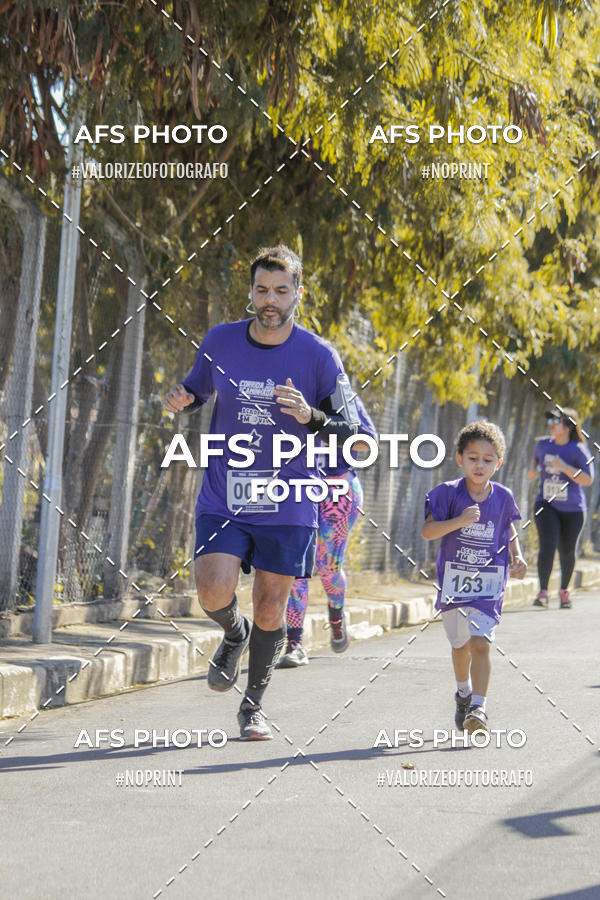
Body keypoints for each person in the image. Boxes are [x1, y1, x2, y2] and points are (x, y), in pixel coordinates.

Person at [164, 244, 371, 740]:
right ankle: (233, 636)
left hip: (292, 498)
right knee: (212, 587)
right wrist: (183, 398)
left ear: (298, 293)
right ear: (252, 291)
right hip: (226, 492)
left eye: (281, 290)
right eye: (262, 289)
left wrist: (311, 417)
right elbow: (197, 388)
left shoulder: (319, 356)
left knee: (271, 605)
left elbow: (359, 435)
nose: (270, 299)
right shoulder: (221, 340)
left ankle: (252, 707)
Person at [421, 421, 527, 735]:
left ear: (499, 463)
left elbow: (507, 527)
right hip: (455, 581)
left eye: (488, 459)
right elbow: (428, 531)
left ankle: (479, 707)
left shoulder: (504, 497)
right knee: (460, 645)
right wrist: (459, 520)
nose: (480, 464)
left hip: (489, 582)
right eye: (473, 457)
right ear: (459, 458)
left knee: (481, 643)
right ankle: (463, 693)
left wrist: (517, 555)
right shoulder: (447, 493)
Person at [278, 395, 377, 667]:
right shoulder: (289, 391)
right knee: (295, 568)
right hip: (298, 487)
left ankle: (336, 616)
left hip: (338, 488)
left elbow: (368, 441)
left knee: (327, 567)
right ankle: (294, 643)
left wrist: (322, 422)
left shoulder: (344, 397)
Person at [527, 408, 594, 609]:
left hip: (573, 509)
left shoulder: (578, 449)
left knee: (566, 550)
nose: (552, 425)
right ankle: (543, 592)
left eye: (556, 421)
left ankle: (564, 591)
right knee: (547, 544)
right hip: (546, 503)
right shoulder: (542, 444)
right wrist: (532, 471)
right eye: (551, 421)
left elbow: (588, 479)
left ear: (567, 427)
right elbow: (532, 467)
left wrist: (564, 467)